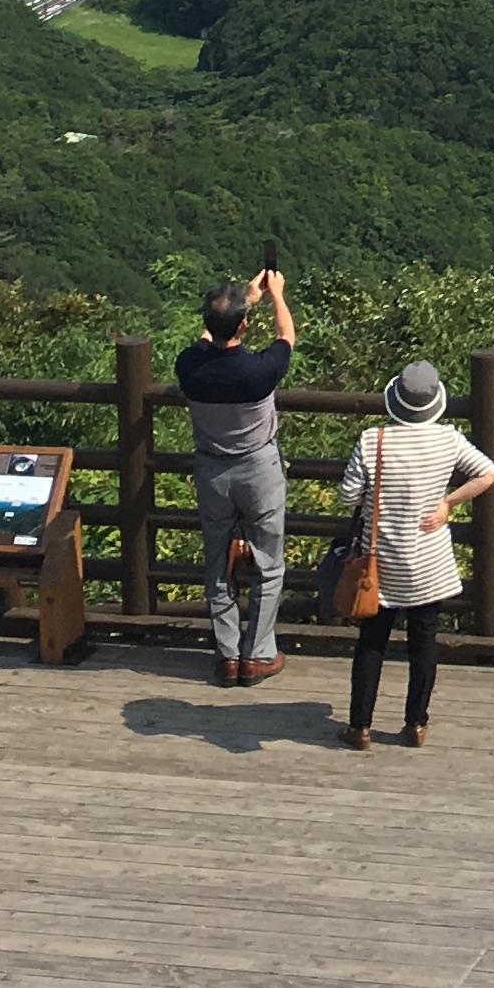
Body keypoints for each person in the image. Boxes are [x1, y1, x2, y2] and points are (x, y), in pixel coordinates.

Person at [338, 358, 494, 749]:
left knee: (372, 643)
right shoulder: (449, 439)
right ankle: (416, 724)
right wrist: (447, 503)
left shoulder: (372, 440)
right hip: (429, 562)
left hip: (381, 559)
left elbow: (347, 497)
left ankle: (360, 726)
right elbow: (489, 473)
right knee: (424, 643)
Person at [178, 267, 296, 685]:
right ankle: (258, 653)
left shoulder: (189, 366)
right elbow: (287, 338)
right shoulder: (258, 371)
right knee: (268, 561)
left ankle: (227, 654)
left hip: (211, 469)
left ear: (206, 324)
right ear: (244, 326)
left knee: (216, 561)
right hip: (259, 469)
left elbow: (207, 342)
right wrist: (275, 295)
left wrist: (243, 302)